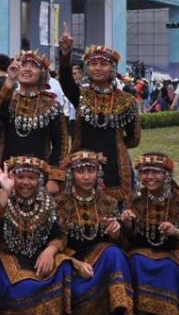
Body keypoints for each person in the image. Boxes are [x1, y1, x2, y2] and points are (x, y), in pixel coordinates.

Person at [0, 157, 73, 315]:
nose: (26, 183)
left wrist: (50, 250)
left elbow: (60, 235)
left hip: (36, 256)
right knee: (24, 288)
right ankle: (29, 311)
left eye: (32, 178)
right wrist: (5, 191)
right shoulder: (2, 197)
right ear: (13, 177)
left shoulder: (47, 202)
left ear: (39, 180)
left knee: (64, 267)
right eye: (21, 177)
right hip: (6, 257)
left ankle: (44, 310)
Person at [58, 27, 140, 204]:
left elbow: (134, 138)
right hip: (82, 160)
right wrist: (65, 53)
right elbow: (65, 81)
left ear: (112, 68)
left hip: (116, 163)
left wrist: (117, 143)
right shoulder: (81, 95)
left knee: (117, 210)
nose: (98, 68)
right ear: (87, 68)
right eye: (93, 64)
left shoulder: (127, 100)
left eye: (103, 64)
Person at [120, 153, 179, 315]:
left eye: (156, 172)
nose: (150, 177)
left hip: (172, 253)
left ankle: (168, 309)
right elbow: (128, 238)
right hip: (141, 251)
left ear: (167, 175)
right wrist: (126, 224)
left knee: (168, 266)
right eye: (145, 172)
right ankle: (141, 307)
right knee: (136, 260)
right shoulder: (134, 199)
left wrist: (177, 232)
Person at [56, 151, 135, 315]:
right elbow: (54, 244)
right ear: (71, 175)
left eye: (91, 171)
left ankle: (119, 309)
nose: (86, 177)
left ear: (98, 173)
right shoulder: (59, 204)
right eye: (80, 171)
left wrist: (116, 233)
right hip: (71, 263)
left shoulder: (109, 203)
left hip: (100, 262)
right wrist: (76, 264)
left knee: (114, 252)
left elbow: (123, 245)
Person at [0, 51, 67, 193]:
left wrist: (53, 178)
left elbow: (61, 144)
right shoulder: (10, 100)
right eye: (23, 64)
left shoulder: (51, 105)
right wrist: (10, 80)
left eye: (33, 66)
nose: (27, 69)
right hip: (8, 174)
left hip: (39, 177)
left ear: (42, 73)